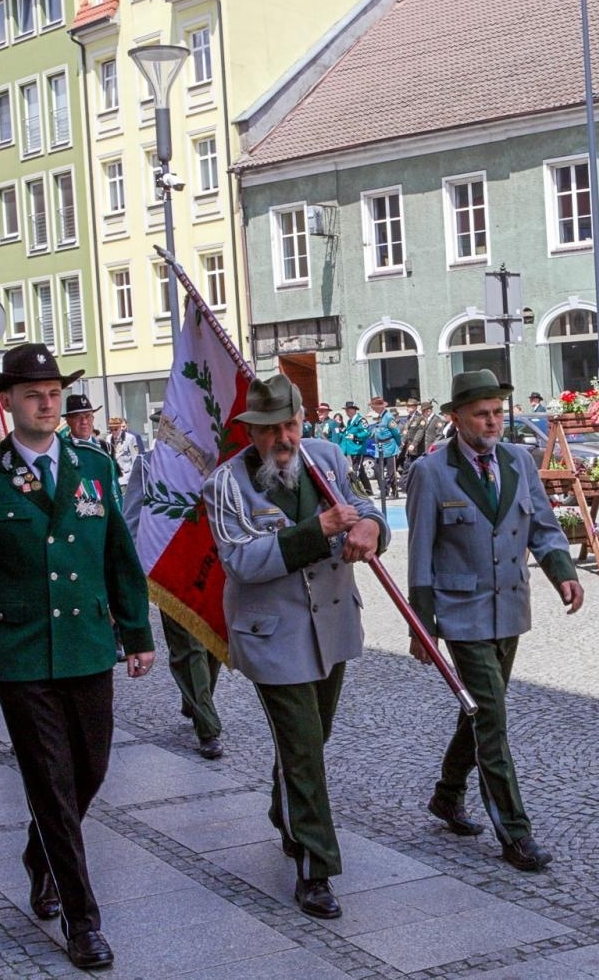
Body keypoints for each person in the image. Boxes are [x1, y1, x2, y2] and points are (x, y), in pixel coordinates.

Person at [0, 343, 153, 971]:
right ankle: (81, 918)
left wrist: (137, 633)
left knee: (89, 771)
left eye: (55, 392)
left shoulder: (91, 464)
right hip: (22, 653)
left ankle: (39, 853)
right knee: (51, 783)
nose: (47, 402)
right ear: (5, 402)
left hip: (89, 645)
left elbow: (119, 553)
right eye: (33, 393)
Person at [202, 374, 386, 920]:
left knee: (314, 737)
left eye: (291, 424)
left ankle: (286, 808)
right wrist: (318, 529)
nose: (284, 437)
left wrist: (373, 527)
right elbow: (241, 560)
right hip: (272, 635)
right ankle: (316, 868)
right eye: (270, 429)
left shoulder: (328, 458)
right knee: (303, 746)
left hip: (330, 628)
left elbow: (362, 506)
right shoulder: (226, 485)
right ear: (251, 432)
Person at [405, 369, 583, 873]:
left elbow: (542, 527)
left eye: (498, 412)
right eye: (481, 413)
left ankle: (446, 794)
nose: (491, 422)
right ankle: (516, 833)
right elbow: (420, 554)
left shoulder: (518, 461)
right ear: (455, 417)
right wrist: (422, 624)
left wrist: (562, 572)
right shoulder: (431, 472)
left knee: (482, 711)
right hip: (461, 615)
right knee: (493, 720)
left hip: (510, 609)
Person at [121, 436, 225, 759]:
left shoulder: (215, 462)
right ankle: (208, 728)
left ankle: (192, 700)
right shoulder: (149, 464)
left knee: (213, 645)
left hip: (213, 571)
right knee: (189, 647)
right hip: (172, 573)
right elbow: (132, 518)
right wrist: (137, 573)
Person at [367, 396, 404, 497]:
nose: (373, 409)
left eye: (374, 407)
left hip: (389, 446)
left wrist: (399, 444)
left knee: (391, 471)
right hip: (380, 447)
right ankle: (384, 491)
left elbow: (396, 432)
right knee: (377, 469)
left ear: (379, 407)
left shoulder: (388, 417)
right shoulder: (380, 417)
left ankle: (394, 491)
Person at [339, 402, 372, 495]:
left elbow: (367, 433)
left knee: (356, 470)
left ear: (353, 410)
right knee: (361, 471)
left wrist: (355, 436)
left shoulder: (361, 420)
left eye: (348, 409)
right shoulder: (350, 421)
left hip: (358, 448)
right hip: (351, 449)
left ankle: (356, 491)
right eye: (346, 410)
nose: (346, 412)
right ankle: (368, 490)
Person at [106, 416, 143, 483]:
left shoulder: (130, 438)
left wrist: (131, 476)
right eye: (111, 430)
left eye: (116, 429)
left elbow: (135, 459)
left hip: (125, 477)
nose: (113, 432)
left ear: (120, 428)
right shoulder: (108, 438)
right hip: (113, 477)